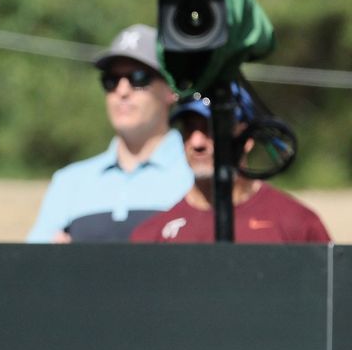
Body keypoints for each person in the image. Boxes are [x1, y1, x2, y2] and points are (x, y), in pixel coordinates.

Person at [27, 24, 193, 243]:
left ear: (172, 89)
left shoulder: (198, 175)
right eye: (111, 81)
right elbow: (29, 268)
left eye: (139, 78)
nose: (122, 91)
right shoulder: (69, 182)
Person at [130, 87, 330, 243]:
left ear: (247, 139)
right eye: (189, 129)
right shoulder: (152, 237)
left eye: (211, 128)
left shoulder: (298, 225)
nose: (197, 143)